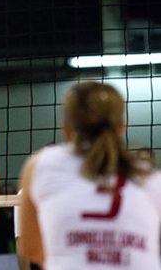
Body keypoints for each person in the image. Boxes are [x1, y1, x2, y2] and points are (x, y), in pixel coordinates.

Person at [18, 82, 161, 269]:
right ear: (121, 127)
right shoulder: (150, 176)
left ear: (66, 128)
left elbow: (30, 249)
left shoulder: (41, 165)